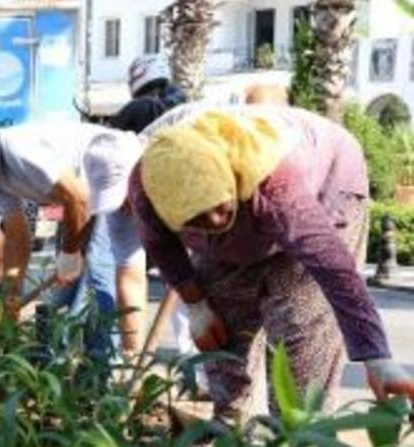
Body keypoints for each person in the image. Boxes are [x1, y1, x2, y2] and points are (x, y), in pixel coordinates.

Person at [129, 106, 414, 422]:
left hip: (324, 184)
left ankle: (298, 440)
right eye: (196, 218)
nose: (214, 221)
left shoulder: (275, 181)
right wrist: (196, 304)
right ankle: (231, 428)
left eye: (219, 207)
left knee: (300, 320)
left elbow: (333, 267)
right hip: (247, 204)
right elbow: (160, 245)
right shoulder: (149, 188)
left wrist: (377, 356)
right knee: (221, 322)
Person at [0, 115, 145, 363]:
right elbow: (17, 237)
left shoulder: (17, 150)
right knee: (66, 290)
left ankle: (103, 368)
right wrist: (11, 295)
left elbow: (78, 197)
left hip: (112, 170)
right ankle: (120, 363)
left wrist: (71, 253)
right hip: (85, 195)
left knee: (97, 271)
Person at [110, 53, 188, 357]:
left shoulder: (134, 109)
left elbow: (112, 153)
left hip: (138, 199)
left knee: (130, 268)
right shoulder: (183, 104)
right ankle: (192, 363)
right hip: (183, 198)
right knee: (187, 280)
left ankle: (131, 354)